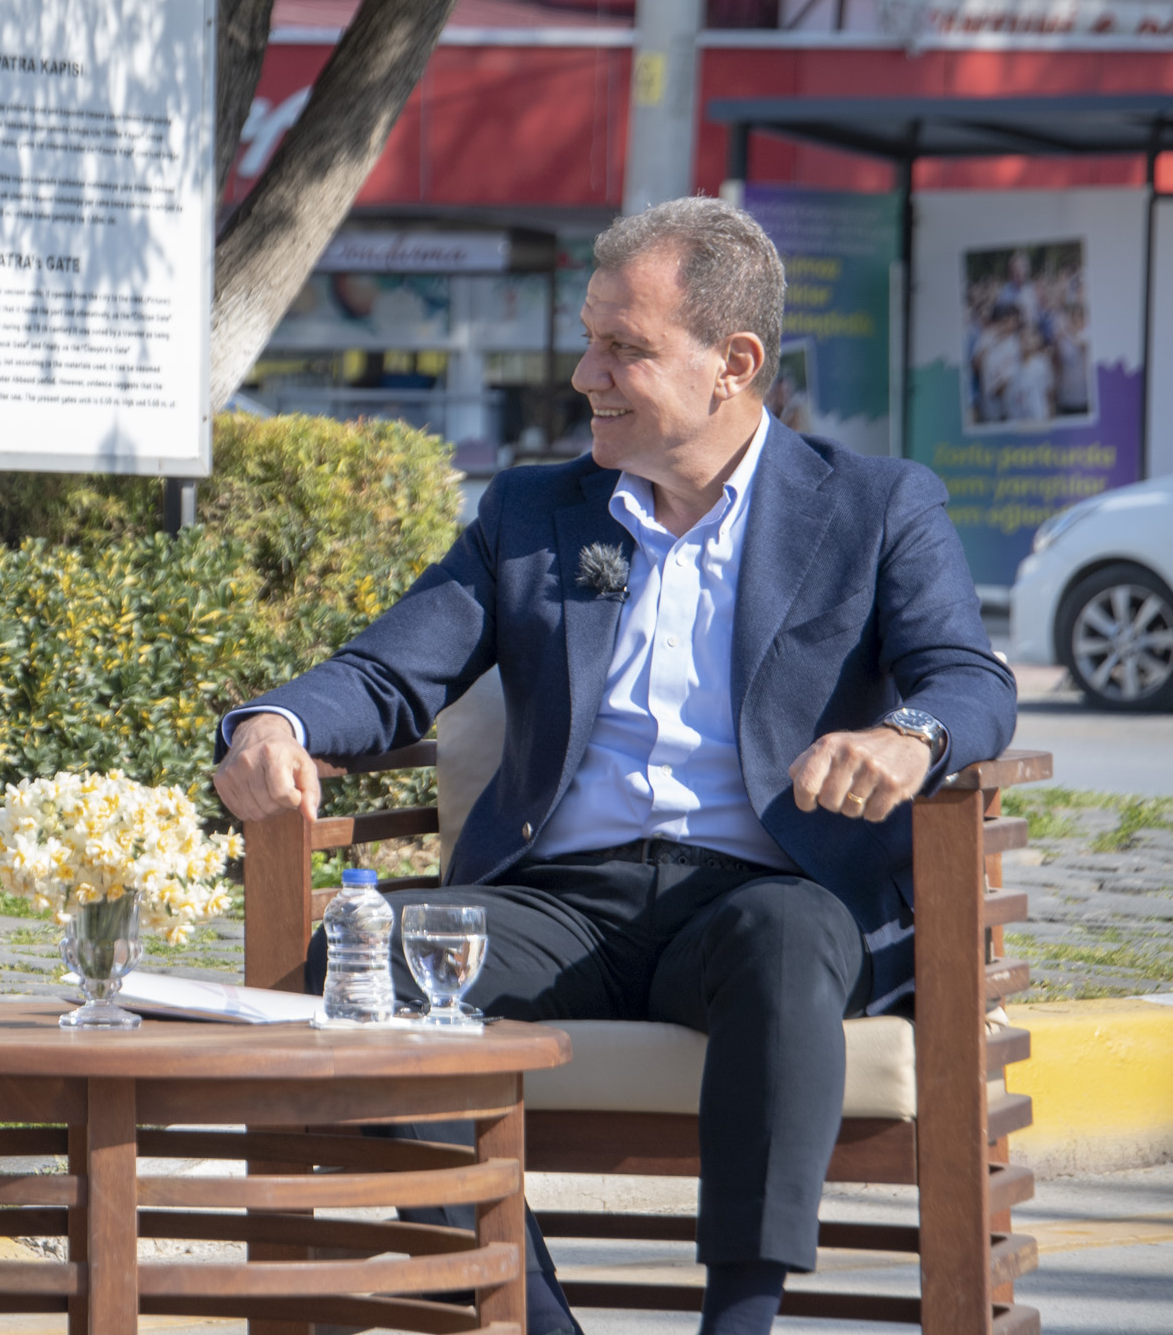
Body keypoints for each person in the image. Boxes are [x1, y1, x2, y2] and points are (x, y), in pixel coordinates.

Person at [213, 198, 1015, 1335]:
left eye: (622, 347)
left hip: (764, 894)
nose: (584, 373)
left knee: (787, 941)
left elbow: (968, 680)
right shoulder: (533, 510)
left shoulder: (876, 504)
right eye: (589, 339)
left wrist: (909, 736)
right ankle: (528, 1318)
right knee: (370, 962)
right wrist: (274, 723)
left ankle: (737, 1324)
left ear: (733, 362)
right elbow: (390, 670)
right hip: (558, 898)